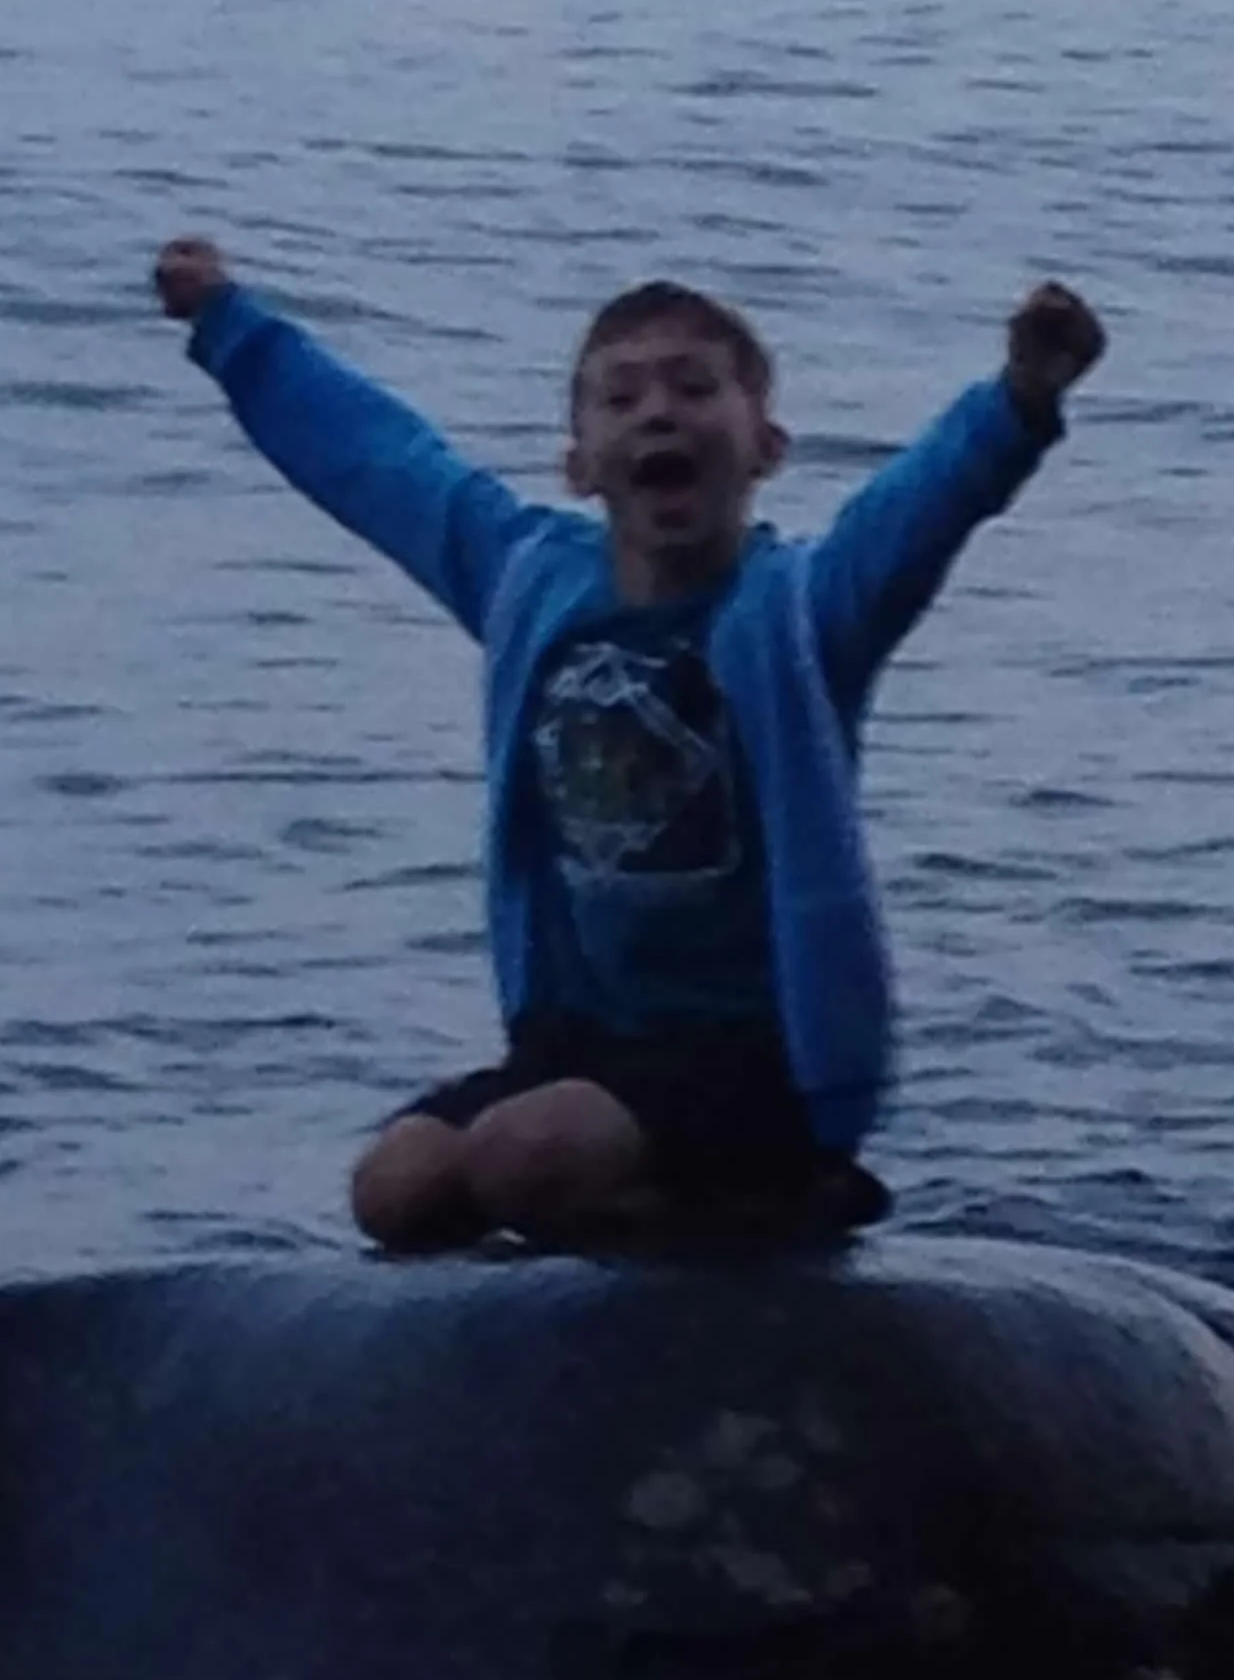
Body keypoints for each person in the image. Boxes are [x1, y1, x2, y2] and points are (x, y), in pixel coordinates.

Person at [153, 237, 1105, 1252]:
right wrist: (228, 324)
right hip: (586, 1042)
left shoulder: (801, 614)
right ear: (579, 465)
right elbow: (374, 456)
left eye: (694, 388)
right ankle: (634, 1226)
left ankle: (777, 1199)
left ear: (767, 447)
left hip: (757, 1059)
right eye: (622, 397)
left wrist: (1020, 401)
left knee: (526, 1155)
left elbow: (919, 510)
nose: (657, 410)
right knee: (396, 1188)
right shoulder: (527, 582)